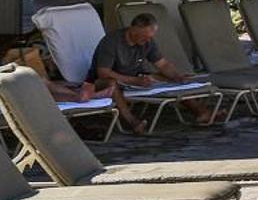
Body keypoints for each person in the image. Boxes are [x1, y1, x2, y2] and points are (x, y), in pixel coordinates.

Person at [90, 13, 218, 125]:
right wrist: (134, 81)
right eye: (145, 36)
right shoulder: (112, 42)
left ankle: (201, 112)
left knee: (168, 77)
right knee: (111, 84)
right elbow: (103, 73)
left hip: (134, 79)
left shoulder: (147, 41)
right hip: (103, 82)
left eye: (150, 37)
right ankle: (132, 122)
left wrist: (177, 76)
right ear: (134, 30)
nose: (148, 40)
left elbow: (162, 64)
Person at [0, 19, 97, 105]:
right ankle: (76, 98)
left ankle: (77, 96)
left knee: (38, 80)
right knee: (31, 91)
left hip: (0, 88)